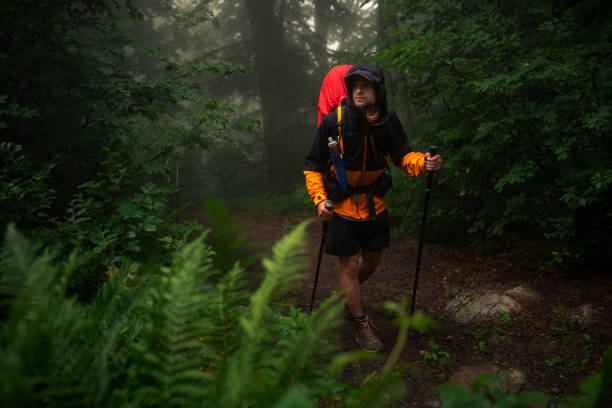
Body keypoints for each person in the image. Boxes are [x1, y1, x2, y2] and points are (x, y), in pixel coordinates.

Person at [303, 63, 442, 352]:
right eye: (354, 85)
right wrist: (319, 200)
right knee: (349, 264)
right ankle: (361, 322)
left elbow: (403, 156)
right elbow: (314, 165)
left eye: (365, 86)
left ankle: (348, 296)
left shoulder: (388, 121)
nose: (358, 90)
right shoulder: (334, 121)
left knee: (373, 259)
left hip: (374, 203)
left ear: (378, 90)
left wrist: (424, 163)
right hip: (340, 203)